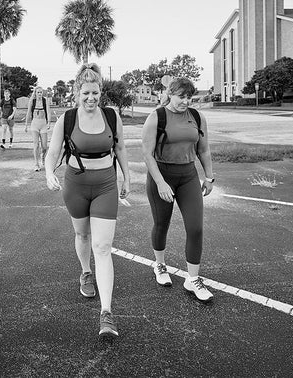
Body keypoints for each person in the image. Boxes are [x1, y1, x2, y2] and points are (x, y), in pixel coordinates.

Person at [44, 63, 131, 337]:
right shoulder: (66, 120)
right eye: (85, 94)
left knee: (103, 246)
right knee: (82, 236)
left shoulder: (111, 116)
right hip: (76, 185)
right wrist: (48, 171)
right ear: (76, 93)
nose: (91, 98)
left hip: (105, 184)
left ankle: (106, 313)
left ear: (100, 92)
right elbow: (52, 151)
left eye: (95, 93)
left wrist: (127, 178)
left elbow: (120, 148)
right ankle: (85, 271)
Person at [140, 76, 216, 302]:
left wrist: (209, 177)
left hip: (188, 176)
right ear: (170, 94)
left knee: (195, 228)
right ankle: (160, 265)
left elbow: (204, 150)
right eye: (181, 96)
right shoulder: (157, 117)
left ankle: (192, 279)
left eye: (189, 97)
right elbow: (147, 154)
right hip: (161, 176)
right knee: (161, 224)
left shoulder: (197, 117)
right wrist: (161, 183)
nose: (186, 101)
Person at [24, 86, 51, 171]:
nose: (39, 94)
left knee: (44, 146)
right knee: (36, 145)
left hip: (43, 124)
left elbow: (49, 112)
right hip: (34, 124)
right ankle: (36, 164)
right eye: (38, 92)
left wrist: (49, 122)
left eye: (41, 92)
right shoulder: (32, 101)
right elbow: (28, 113)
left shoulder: (45, 100)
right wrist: (26, 125)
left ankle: (43, 156)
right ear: (35, 93)